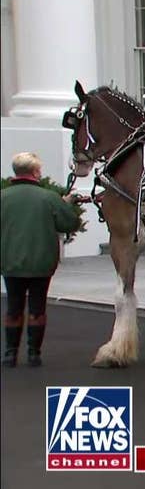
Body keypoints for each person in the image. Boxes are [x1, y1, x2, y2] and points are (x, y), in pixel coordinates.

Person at [1, 152, 80, 367]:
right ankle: (34, 353)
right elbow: (69, 223)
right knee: (38, 308)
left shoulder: (3, 197)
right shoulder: (48, 198)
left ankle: (10, 353)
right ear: (36, 172)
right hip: (42, 264)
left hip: (11, 263)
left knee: (13, 307)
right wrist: (66, 204)